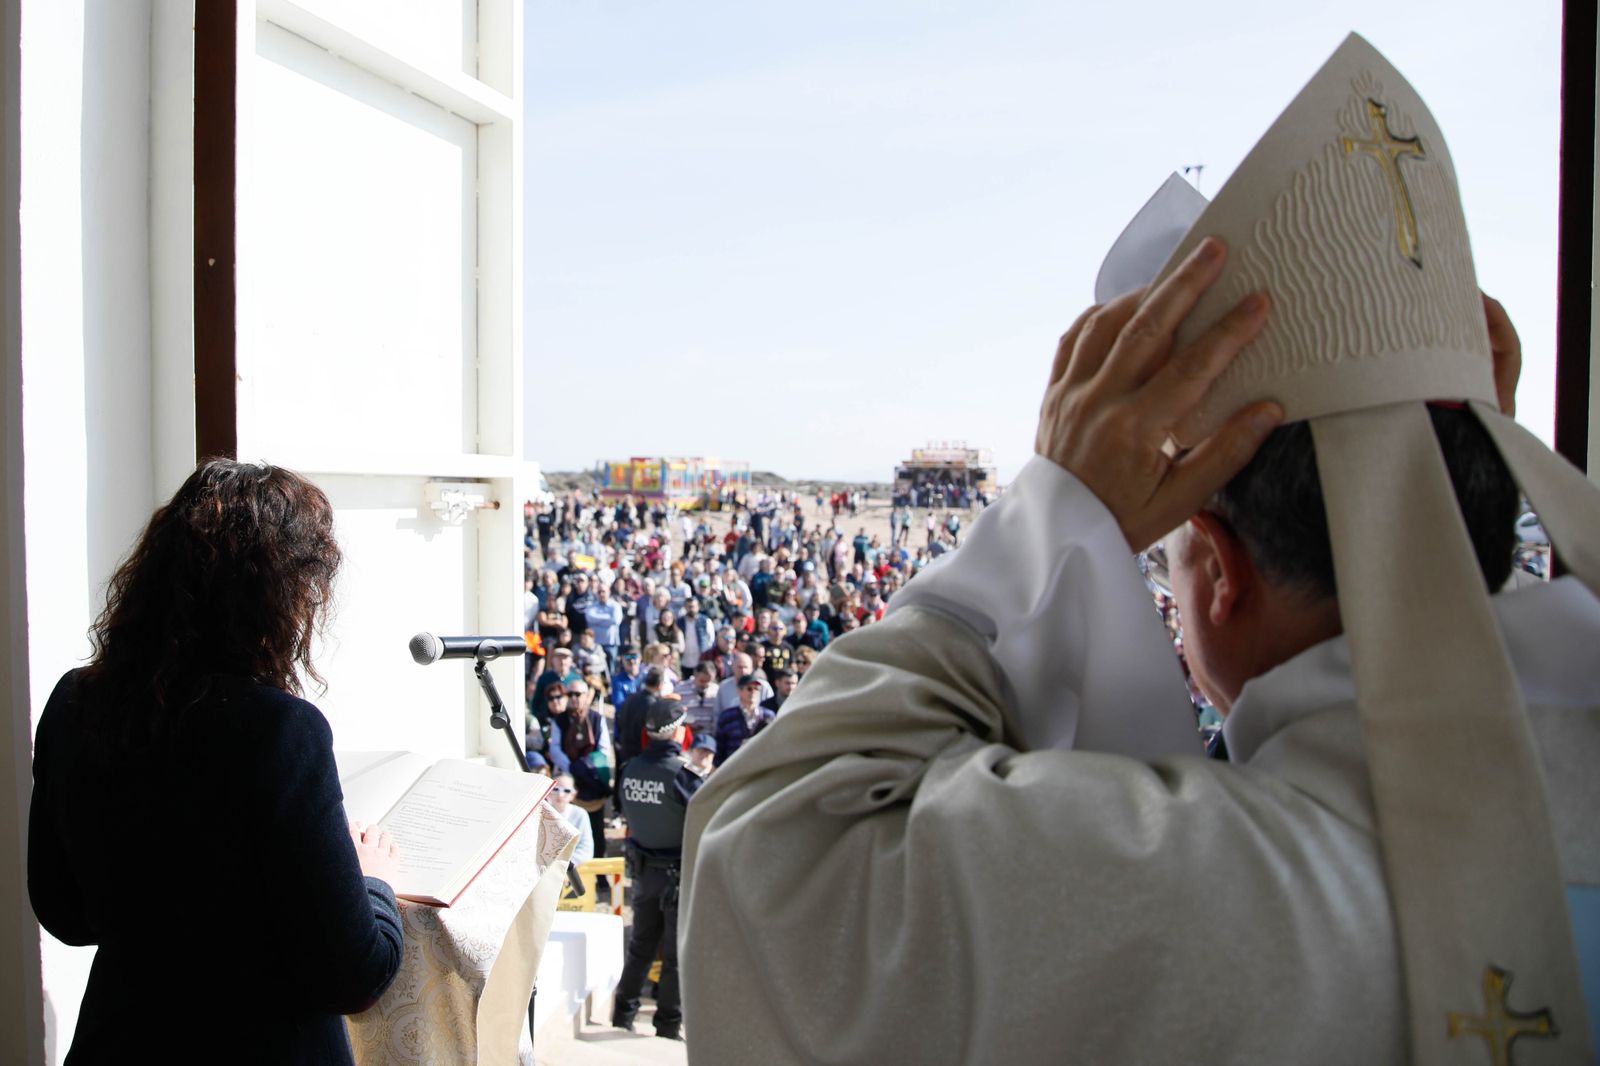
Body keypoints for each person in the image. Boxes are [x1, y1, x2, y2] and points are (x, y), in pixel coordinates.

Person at [680, 39, 1599, 1065]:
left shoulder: (1166, 886)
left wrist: (1054, 517)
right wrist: (1429, 477)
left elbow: (766, 861)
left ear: (1219, 564)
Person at [28, 460, 405, 1064]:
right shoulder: (280, 732)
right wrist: (374, 881)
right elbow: (354, 974)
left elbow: (65, 913)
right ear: (279, 599)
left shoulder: (75, 703)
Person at [612, 697, 704, 1041]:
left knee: (640, 946)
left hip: (645, 873)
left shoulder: (630, 769)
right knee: (676, 953)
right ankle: (667, 1024)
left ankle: (623, 1014)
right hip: (677, 876)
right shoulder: (683, 774)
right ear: (677, 731)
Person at [549, 772, 594, 866]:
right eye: (556, 789)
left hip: (573, 869)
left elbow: (586, 849)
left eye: (567, 791)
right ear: (548, 791)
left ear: (573, 795)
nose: (560, 794)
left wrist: (564, 866)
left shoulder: (580, 814)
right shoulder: (540, 812)